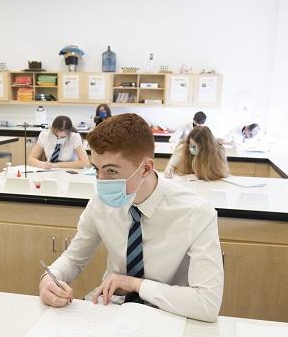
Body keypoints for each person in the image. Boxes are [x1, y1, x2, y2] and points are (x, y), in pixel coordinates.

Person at [39, 113, 223, 322]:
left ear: (145, 168)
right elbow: (74, 258)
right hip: (112, 310)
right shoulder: (101, 203)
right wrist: (50, 277)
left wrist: (135, 285)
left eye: (111, 171)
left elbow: (207, 304)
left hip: (169, 316)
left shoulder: (196, 213)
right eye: (96, 169)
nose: (101, 181)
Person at [163, 125, 230, 181]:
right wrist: (169, 169)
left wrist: (198, 176)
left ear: (205, 148)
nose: (191, 148)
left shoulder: (218, 151)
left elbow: (221, 174)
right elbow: (171, 166)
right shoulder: (184, 148)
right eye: (190, 144)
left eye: (194, 146)